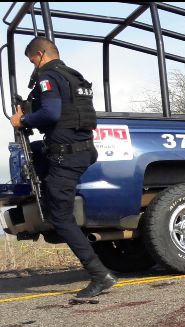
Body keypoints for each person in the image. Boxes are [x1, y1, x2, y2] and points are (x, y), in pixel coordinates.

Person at [10, 37, 117, 298]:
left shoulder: (48, 76)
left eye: (32, 60)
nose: (33, 66)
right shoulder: (73, 76)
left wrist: (22, 120)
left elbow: (51, 114)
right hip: (80, 150)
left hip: (66, 156)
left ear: (41, 54)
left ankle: (99, 275)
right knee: (39, 159)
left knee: (60, 217)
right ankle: (48, 202)